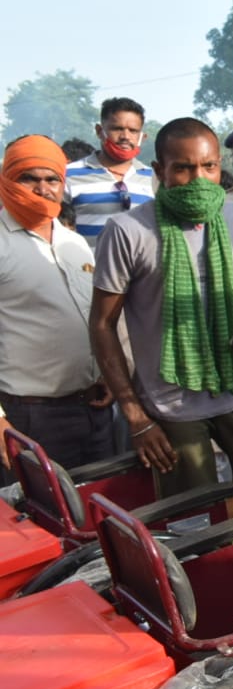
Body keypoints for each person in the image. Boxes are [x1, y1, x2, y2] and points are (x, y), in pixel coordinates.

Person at [89, 118, 233, 578]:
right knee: (196, 516)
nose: (197, 179)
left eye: (207, 166)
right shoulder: (127, 231)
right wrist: (137, 417)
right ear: (160, 170)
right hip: (170, 400)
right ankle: (209, 602)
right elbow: (102, 324)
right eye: (183, 168)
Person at [0, 135, 114, 471]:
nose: (42, 188)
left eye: (52, 179)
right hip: (32, 417)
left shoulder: (74, 242)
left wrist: (106, 373)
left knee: (99, 511)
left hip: (94, 408)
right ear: (7, 179)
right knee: (44, 519)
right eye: (29, 178)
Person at [64, 97, 155, 250]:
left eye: (133, 130)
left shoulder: (154, 178)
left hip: (139, 273)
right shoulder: (68, 175)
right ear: (100, 131)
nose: (125, 136)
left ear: (142, 137)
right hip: (88, 271)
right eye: (117, 128)